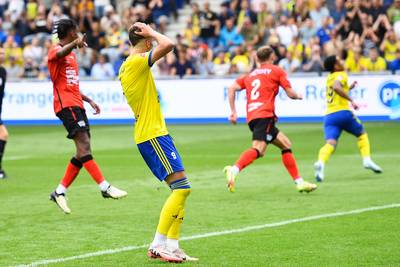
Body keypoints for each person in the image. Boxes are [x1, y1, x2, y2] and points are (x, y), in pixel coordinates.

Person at [118, 22, 197, 263]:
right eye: (150, 35)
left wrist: (149, 33)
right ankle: (157, 244)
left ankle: (172, 246)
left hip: (155, 133)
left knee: (181, 189)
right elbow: (170, 44)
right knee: (182, 188)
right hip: (152, 135)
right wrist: (152, 33)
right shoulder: (135, 62)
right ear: (147, 40)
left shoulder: (129, 65)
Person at [47, 19, 127, 214]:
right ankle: (104, 187)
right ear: (70, 32)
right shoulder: (55, 50)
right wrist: (74, 45)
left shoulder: (72, 56)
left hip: (77, 104)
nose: (79, 34)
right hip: (66, 106)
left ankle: (59, 192)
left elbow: (71, 85)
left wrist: (89, 100)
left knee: (82, 150)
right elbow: (59, 54)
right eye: (76, 31)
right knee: (84, 146)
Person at [223, 46, 317, 194]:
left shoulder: (251, 75)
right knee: (259, 149)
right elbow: (290, 93)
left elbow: (231, 88)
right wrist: (299, 95)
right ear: (272, 57)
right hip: (264, 115)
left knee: (285, 144)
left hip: (254, 116)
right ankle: (234, 170)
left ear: (257, 59)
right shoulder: (276, 70)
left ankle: (299, 182)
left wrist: (233, 112)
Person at [314, 55, 382, 182]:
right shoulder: (341, 74)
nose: (342, 61)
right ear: (335, 66)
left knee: (331, 143)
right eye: (339, 60)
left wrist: (349, 87)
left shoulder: (329, 77)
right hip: (343, 113)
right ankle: (367, 159)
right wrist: (352, 100)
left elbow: (336, 88)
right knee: (362, 134)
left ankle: (320, 162)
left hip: (329, 116)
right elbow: (336, 87)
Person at [0, 47, 8, 179]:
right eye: (0, 53)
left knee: (3, 135)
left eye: (3, 53)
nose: (3, 55)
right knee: (3, 134)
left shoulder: (3, 71)